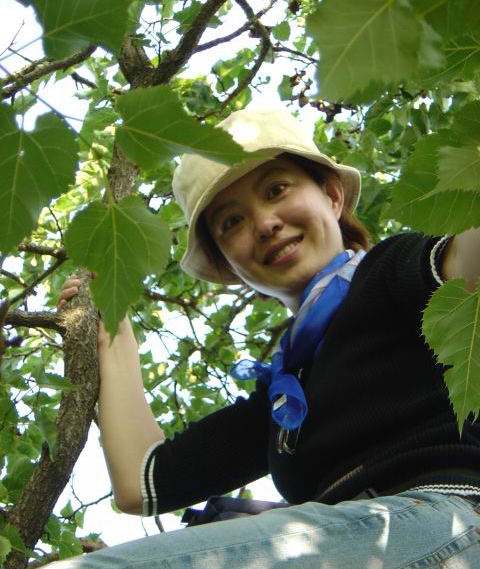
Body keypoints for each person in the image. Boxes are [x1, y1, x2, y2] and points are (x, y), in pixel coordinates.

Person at [56, 108, 480, 568]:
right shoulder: (285, 399)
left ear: (332, 196)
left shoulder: (390, 273)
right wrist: (112, 328)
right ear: (228, 267)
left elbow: (469, 263)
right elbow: (142, 482)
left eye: (276, 189)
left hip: (448, 524)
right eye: (232, 222)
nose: (263, 223)